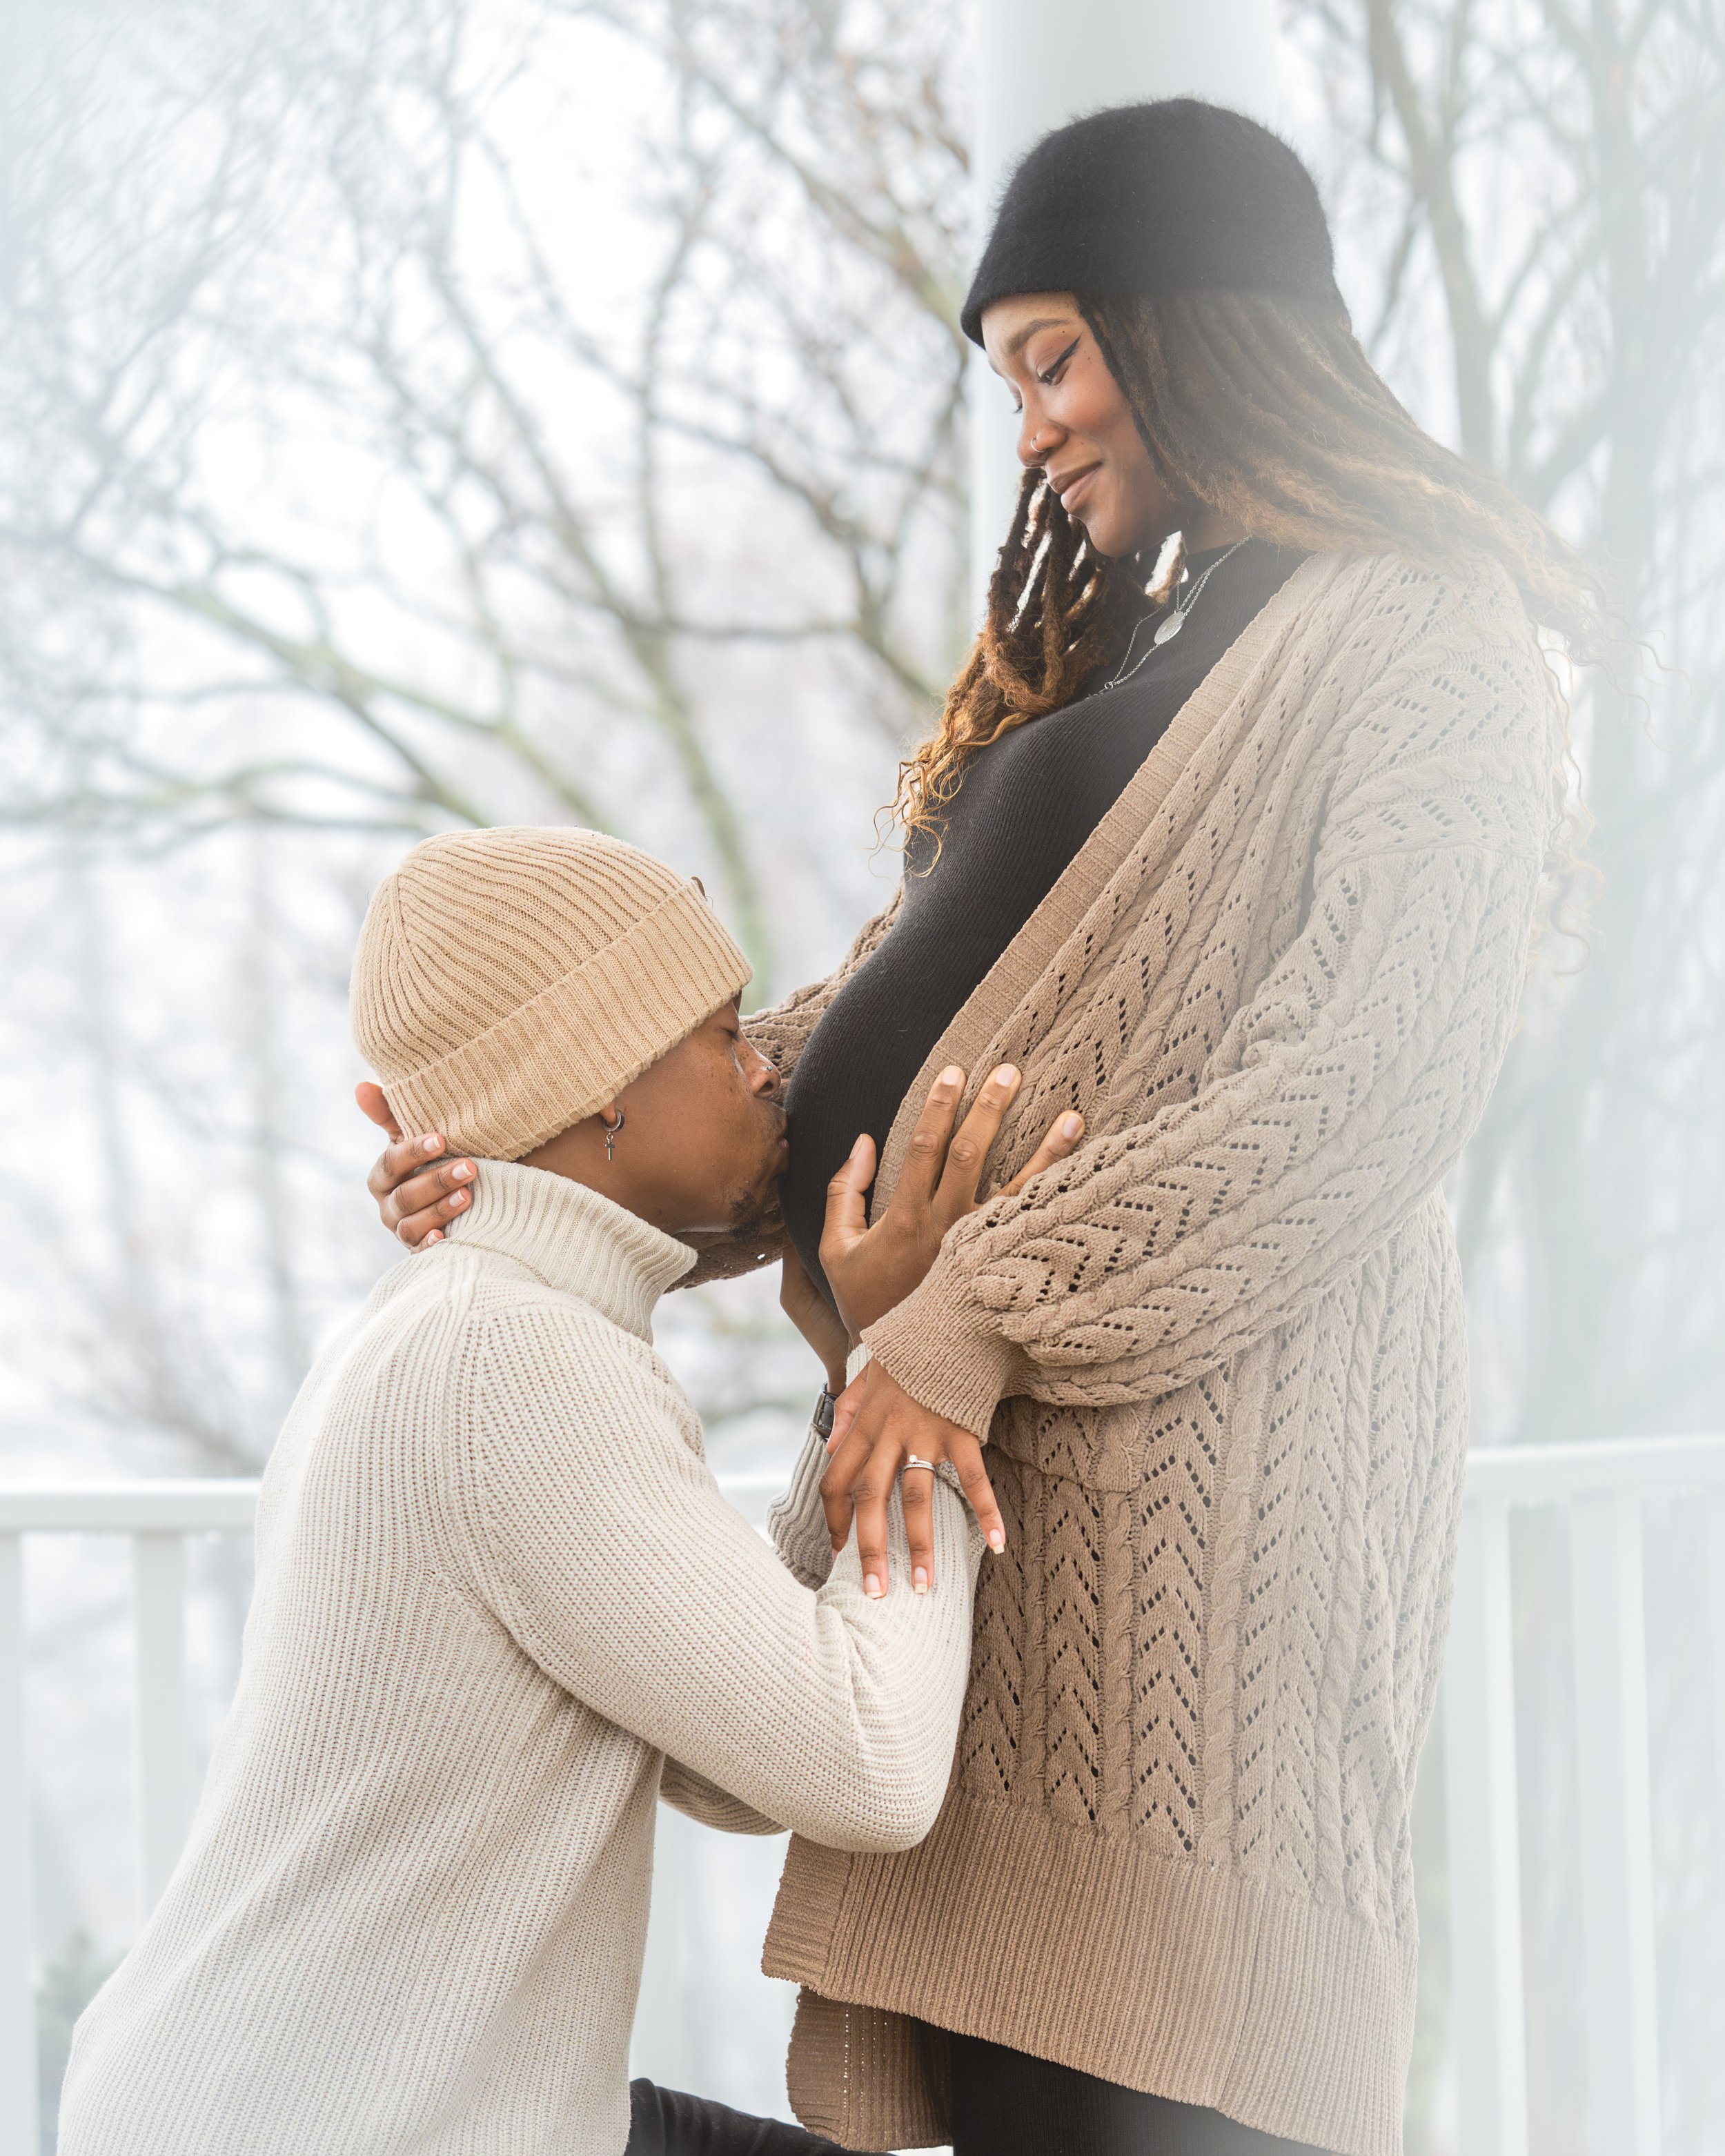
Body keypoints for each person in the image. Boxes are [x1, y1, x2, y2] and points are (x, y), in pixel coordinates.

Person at [371, 101, 1602, 2156]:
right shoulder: (1143, 639)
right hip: (988, 1570)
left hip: (1179, 1624)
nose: (1027, 425)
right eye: (1008, 374)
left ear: (1198, 320)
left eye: (1052, 356)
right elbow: (873, 1027)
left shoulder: (1424, 633)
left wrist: (975, 1308)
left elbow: (1359, 1080)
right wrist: (537, 1158)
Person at [57, 826, 1077, 2156]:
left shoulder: (474, 1324)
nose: (768, 1066)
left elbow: (733, 1767)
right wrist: (926, 1363)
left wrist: (853, 1384)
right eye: (723, 1037)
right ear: (603, 1086)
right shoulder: (511, 1364)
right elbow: (870, 1768)